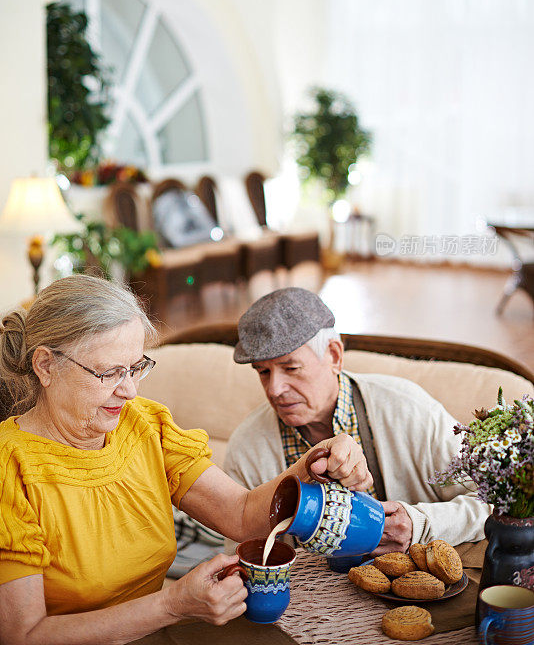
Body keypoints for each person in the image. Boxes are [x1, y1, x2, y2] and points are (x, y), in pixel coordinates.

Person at [0, 276, 367, 645]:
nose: (129, 390)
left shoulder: (144, 424)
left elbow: (240, 515)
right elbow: (24, 635)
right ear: (46, 366)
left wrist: (314, 459)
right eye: (108, 372)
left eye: (135, 367)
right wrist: (172, 605)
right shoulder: (9, 468)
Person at [224, 287, 490, 554]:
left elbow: (493, 500)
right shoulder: (247, 446)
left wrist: (420, 524)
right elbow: (241, 556)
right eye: (263, 372)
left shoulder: (407, 408)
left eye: (291, 368)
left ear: (335, 356)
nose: (274, 389)